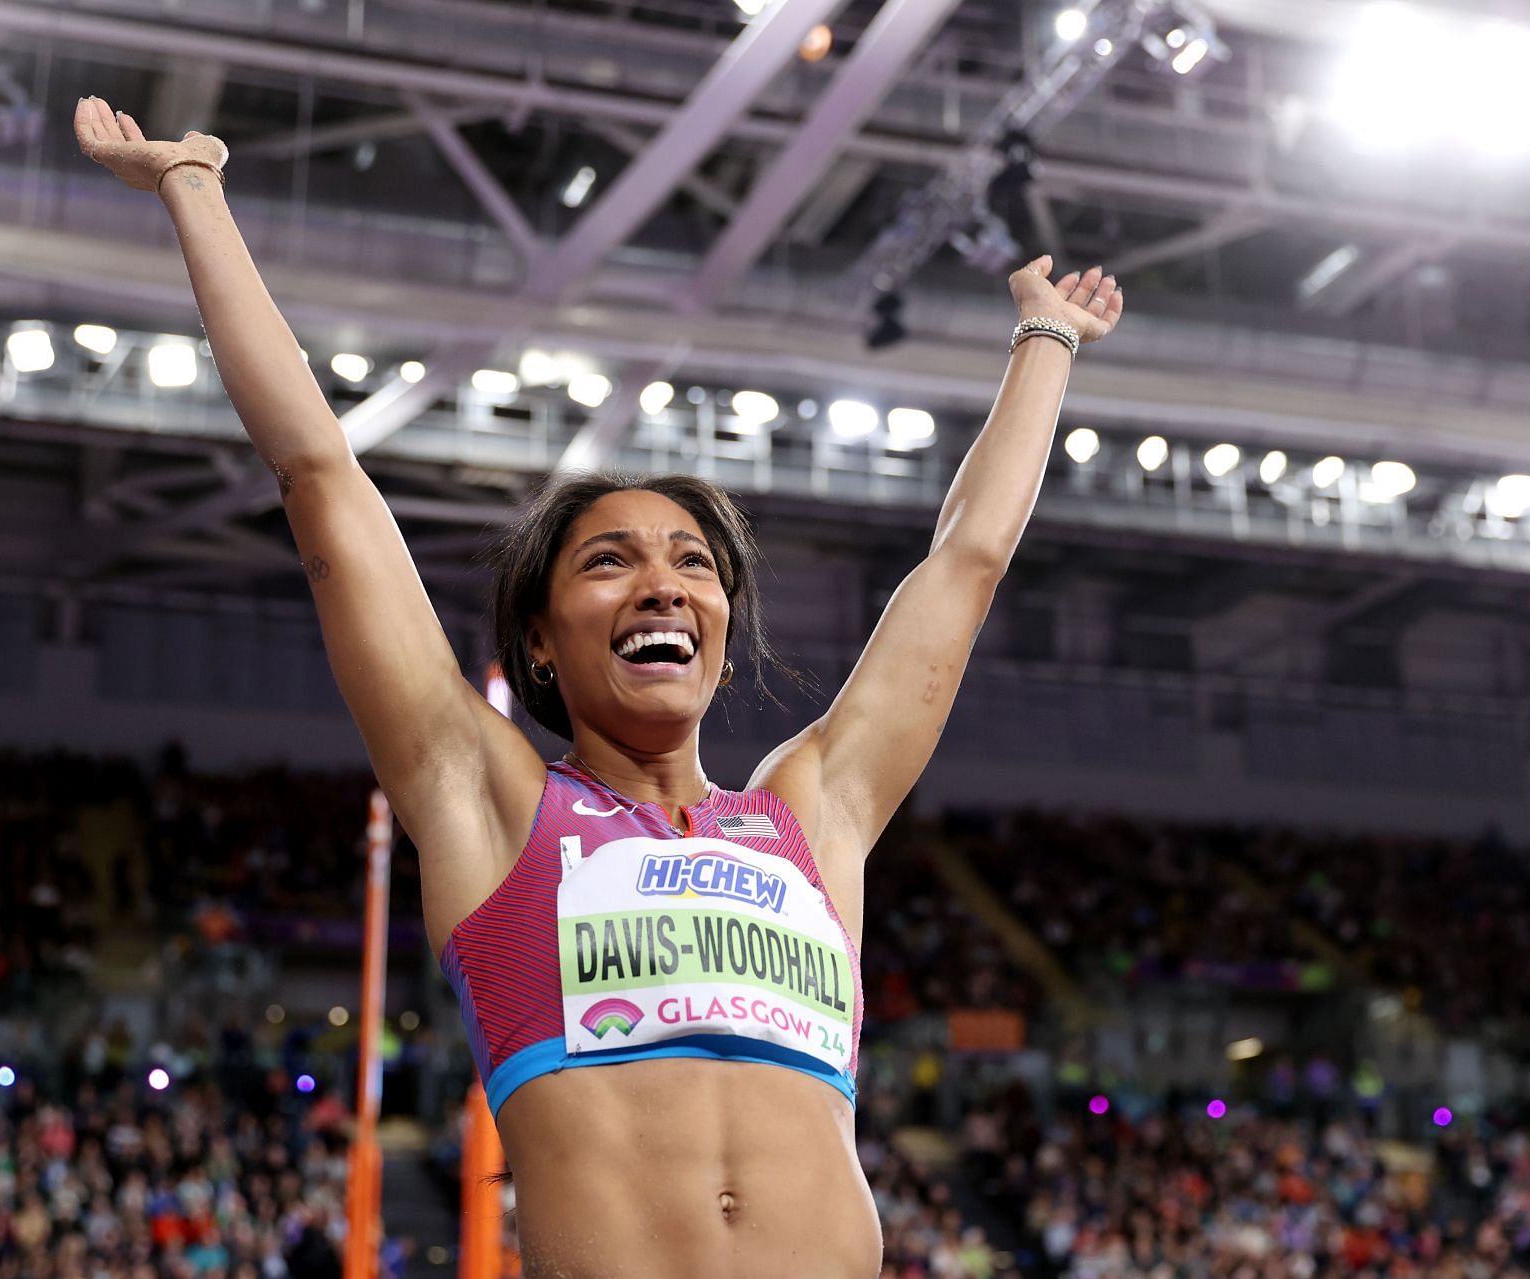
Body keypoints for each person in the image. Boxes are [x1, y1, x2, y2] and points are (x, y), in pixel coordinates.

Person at [74, 97, 1122, 1277]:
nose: (665, 586)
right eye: (610, 561)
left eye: (694, 564)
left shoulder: (812, 815)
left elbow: (966, 563)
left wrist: (1047, 339)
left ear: (723, 624)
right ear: (538, 643)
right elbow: (320, 473)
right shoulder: (491, 799)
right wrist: (192, 190)